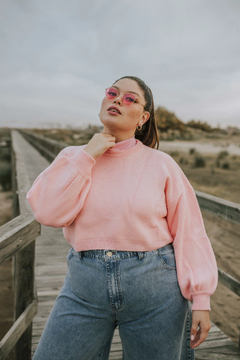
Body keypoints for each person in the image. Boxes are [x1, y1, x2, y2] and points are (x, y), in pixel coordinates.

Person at [26, 76, 218, 360]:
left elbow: (189, 231)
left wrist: (201, 298)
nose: (117, 99)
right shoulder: (72, 157)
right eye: (112, 93)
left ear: (143, 117)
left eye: (130, 98)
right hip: (83, 289)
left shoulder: (161, 164)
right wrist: (88, 154)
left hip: (155, 291)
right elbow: (47, 211)